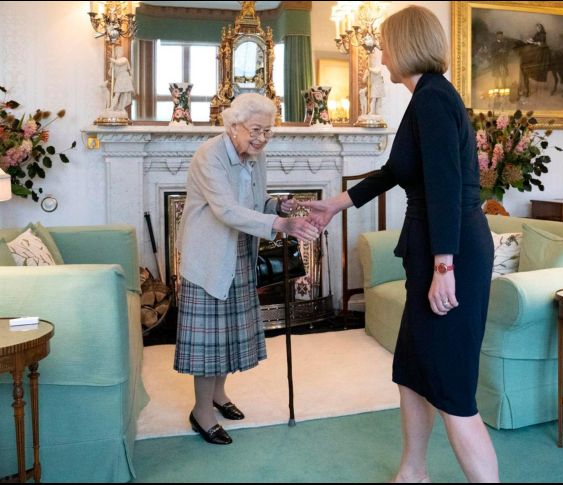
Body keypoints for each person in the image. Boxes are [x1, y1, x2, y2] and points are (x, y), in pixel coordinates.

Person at [303, 6, 498, 482]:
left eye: (385, 44)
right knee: (412, 368)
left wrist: (444, 268)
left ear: (406, 46)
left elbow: (447, 187)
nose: (381, 54)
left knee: (452, 388)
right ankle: (412, 472)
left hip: (451, 251)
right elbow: (396, 172)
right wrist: (336, 204)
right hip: (433, 247)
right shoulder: (425, 97)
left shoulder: (432, 100)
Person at [174, 93, 319, 445]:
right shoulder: (209, 156)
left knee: (227, 334)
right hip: (208, 255)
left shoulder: (256, 157)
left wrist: (279, 205)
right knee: (209, 341)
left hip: (239, 250)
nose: (261, 138)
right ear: (233, 126)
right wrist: (280, 225)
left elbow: (253, 203)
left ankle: (218, 396)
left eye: (268, 132)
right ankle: (201, 412)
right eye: (256, 130)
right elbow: (225, 209)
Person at [109, 46, 134, 112]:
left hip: (125, 77)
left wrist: (113, 61)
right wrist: (111, 67)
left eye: (120, 51)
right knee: (117, 94)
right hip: (119, 78)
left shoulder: (124, 59)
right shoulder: (115, 62)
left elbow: (119, 63)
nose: (119, 53)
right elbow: (110, 74)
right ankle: (112, 107)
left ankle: (121, 108)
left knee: (125, 93)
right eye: (117, 52)